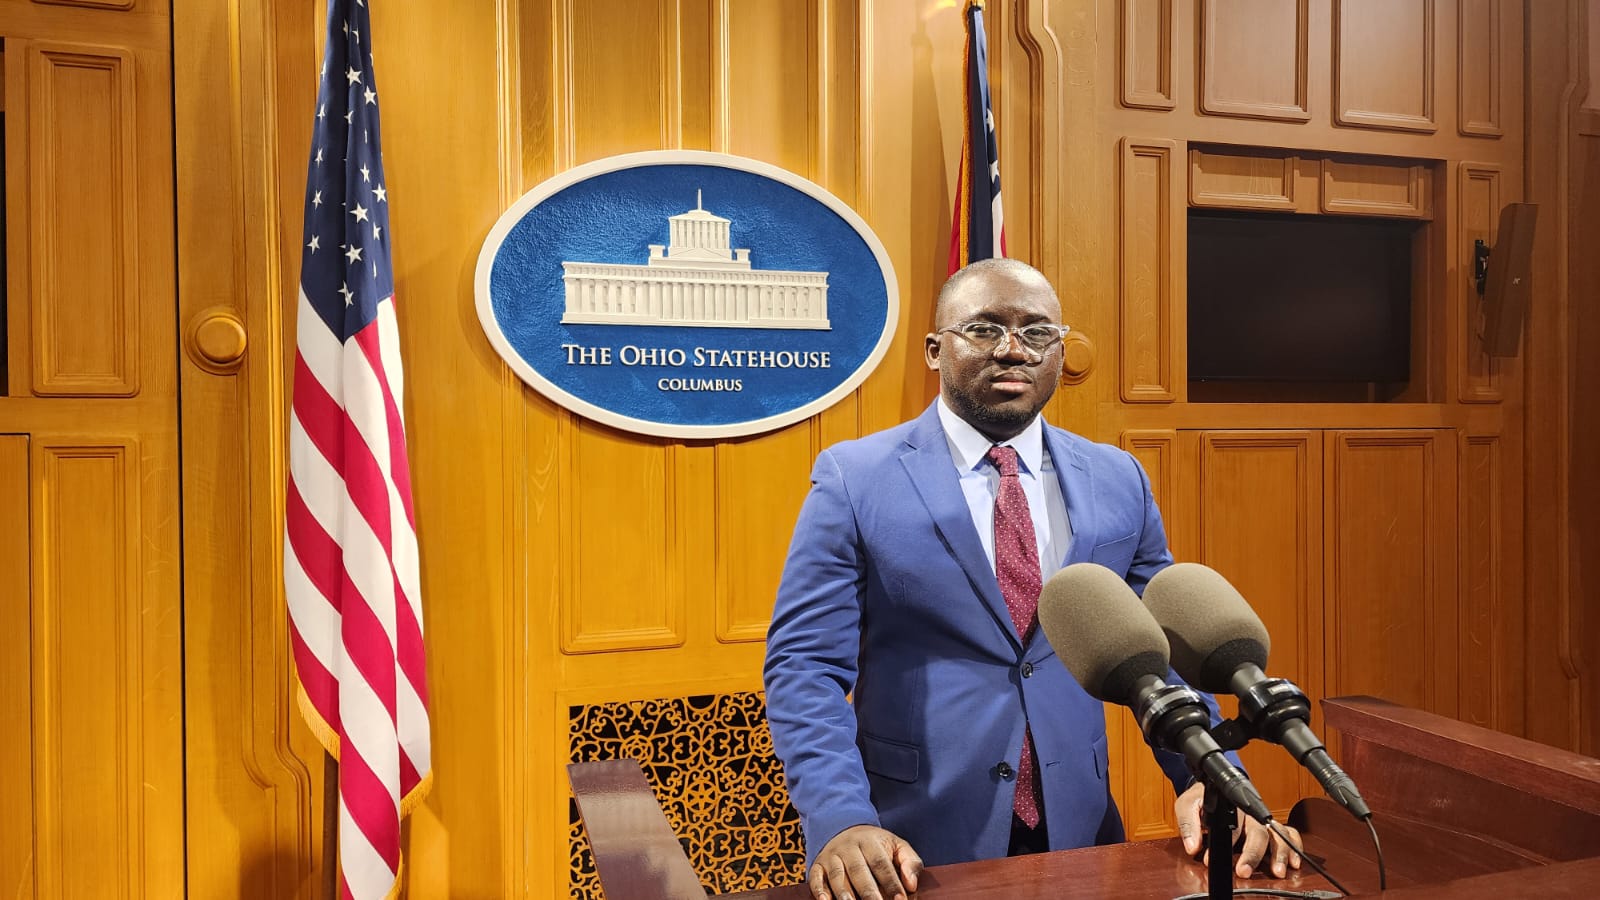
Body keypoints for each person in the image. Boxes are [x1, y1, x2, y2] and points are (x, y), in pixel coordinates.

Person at [763, 259, 1301, 900]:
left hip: (1082, 832)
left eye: (1037, 332)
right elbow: (804, 666)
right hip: (910, 845)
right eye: (985, 329)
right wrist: (839, 820)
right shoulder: (856, 478)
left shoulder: (1117, 478)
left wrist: (1212, 779)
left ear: (1060, 349)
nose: (1013, 350)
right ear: (936, 350)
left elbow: (1169, 651)